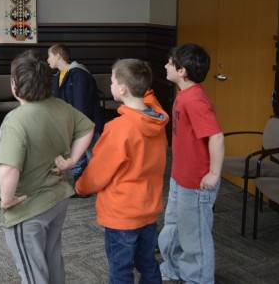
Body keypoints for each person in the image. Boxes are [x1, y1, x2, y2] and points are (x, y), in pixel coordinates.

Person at [0, 49, 94, 283]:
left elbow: (9, 168)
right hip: (57, 200)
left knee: (33, 274)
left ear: (13, 85)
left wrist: (7, 200)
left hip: (28, 209)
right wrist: (71, 160)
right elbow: (87, 128)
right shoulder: (60, 106)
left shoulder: (15, 121)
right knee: (52, 260)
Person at [72, 59, 168, 284]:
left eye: (113, 81)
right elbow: (149, 98)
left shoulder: (119, 129)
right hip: (148, 210)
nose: (111, 85)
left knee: (120, 271)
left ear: (123, 88)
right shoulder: (158, 119)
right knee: (148, 264)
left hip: (122, 215)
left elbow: (98, 172)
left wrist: (80, 186)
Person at [158, 43, 225, 284]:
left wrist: (214, 173)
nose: (166, 65)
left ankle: (198, 279)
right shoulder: (183, 94)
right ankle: (173, 268)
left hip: (197, 184)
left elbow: (216, 136)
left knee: (194, 237)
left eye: (170, 62)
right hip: (180, 177)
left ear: (182, 70)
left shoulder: (195, 100)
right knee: (174, 228)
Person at [47, 44, 104, 185]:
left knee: (94, 155)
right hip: (71, 123)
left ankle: (99, 183)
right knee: (78, 155)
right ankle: (81, 185)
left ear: (58, 55)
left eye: (49, 56)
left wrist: (76, 127)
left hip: (85, 124)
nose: (47, 60)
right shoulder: (57, 77)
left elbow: (82, 104)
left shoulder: (79, 75)